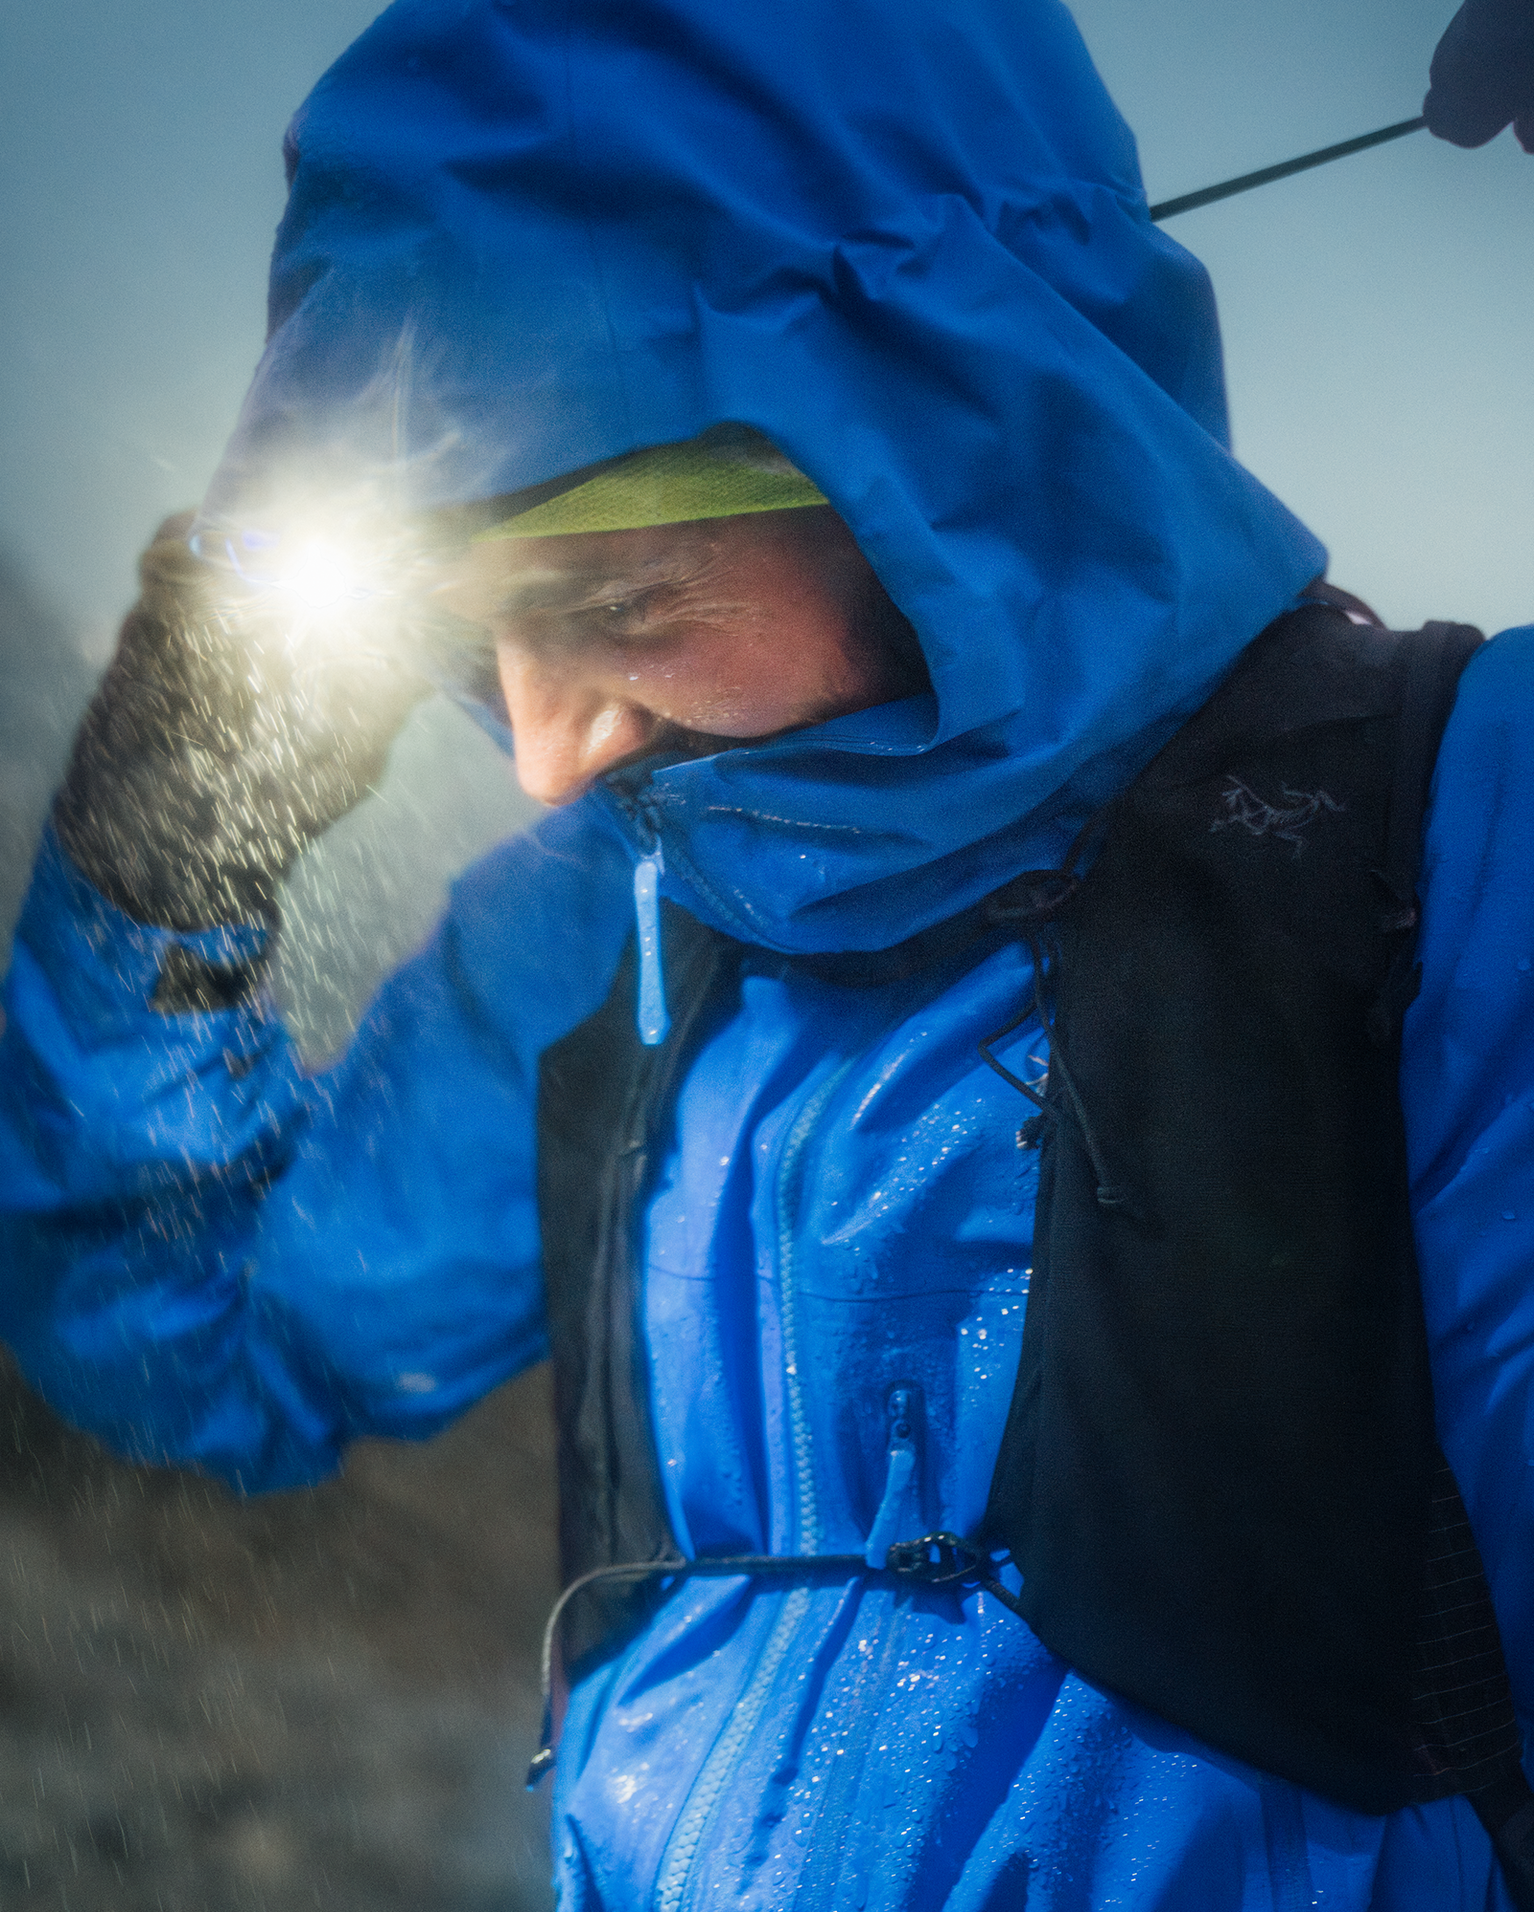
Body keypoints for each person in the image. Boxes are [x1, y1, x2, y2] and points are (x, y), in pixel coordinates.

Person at [3, 0, 1534, 1905]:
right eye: (467, 636)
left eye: (619, 602)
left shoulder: (1458, 853)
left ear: (945, 451)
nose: (547, 747)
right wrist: (151, 879)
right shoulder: (604, 924)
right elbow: (183, 1353)